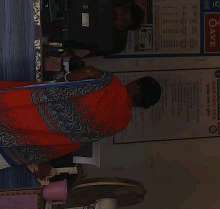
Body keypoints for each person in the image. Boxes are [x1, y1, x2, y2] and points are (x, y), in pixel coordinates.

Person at [0, 69, 162, 171]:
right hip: (37, 141)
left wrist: (61, 78)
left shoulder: (111, 83)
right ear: (142, 105)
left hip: (31, 109)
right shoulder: (121, 124)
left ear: (136, 85)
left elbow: (80, 75)